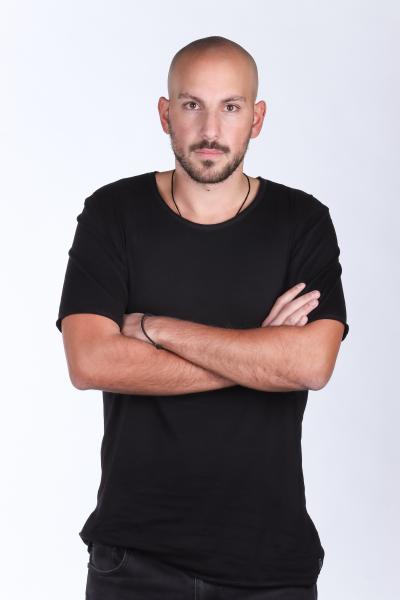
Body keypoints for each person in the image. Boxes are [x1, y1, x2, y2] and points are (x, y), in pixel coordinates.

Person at [56, 35, 349, 599]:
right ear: (165, 114)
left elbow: (311, 364)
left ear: (256, 119)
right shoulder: (112, 213)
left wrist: (156, 328)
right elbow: (90, 362)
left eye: (230, 107)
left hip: (271, 566)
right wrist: (261, 354)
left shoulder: (301, 221)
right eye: (192, 105)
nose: (210, 129)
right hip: (133, 560)